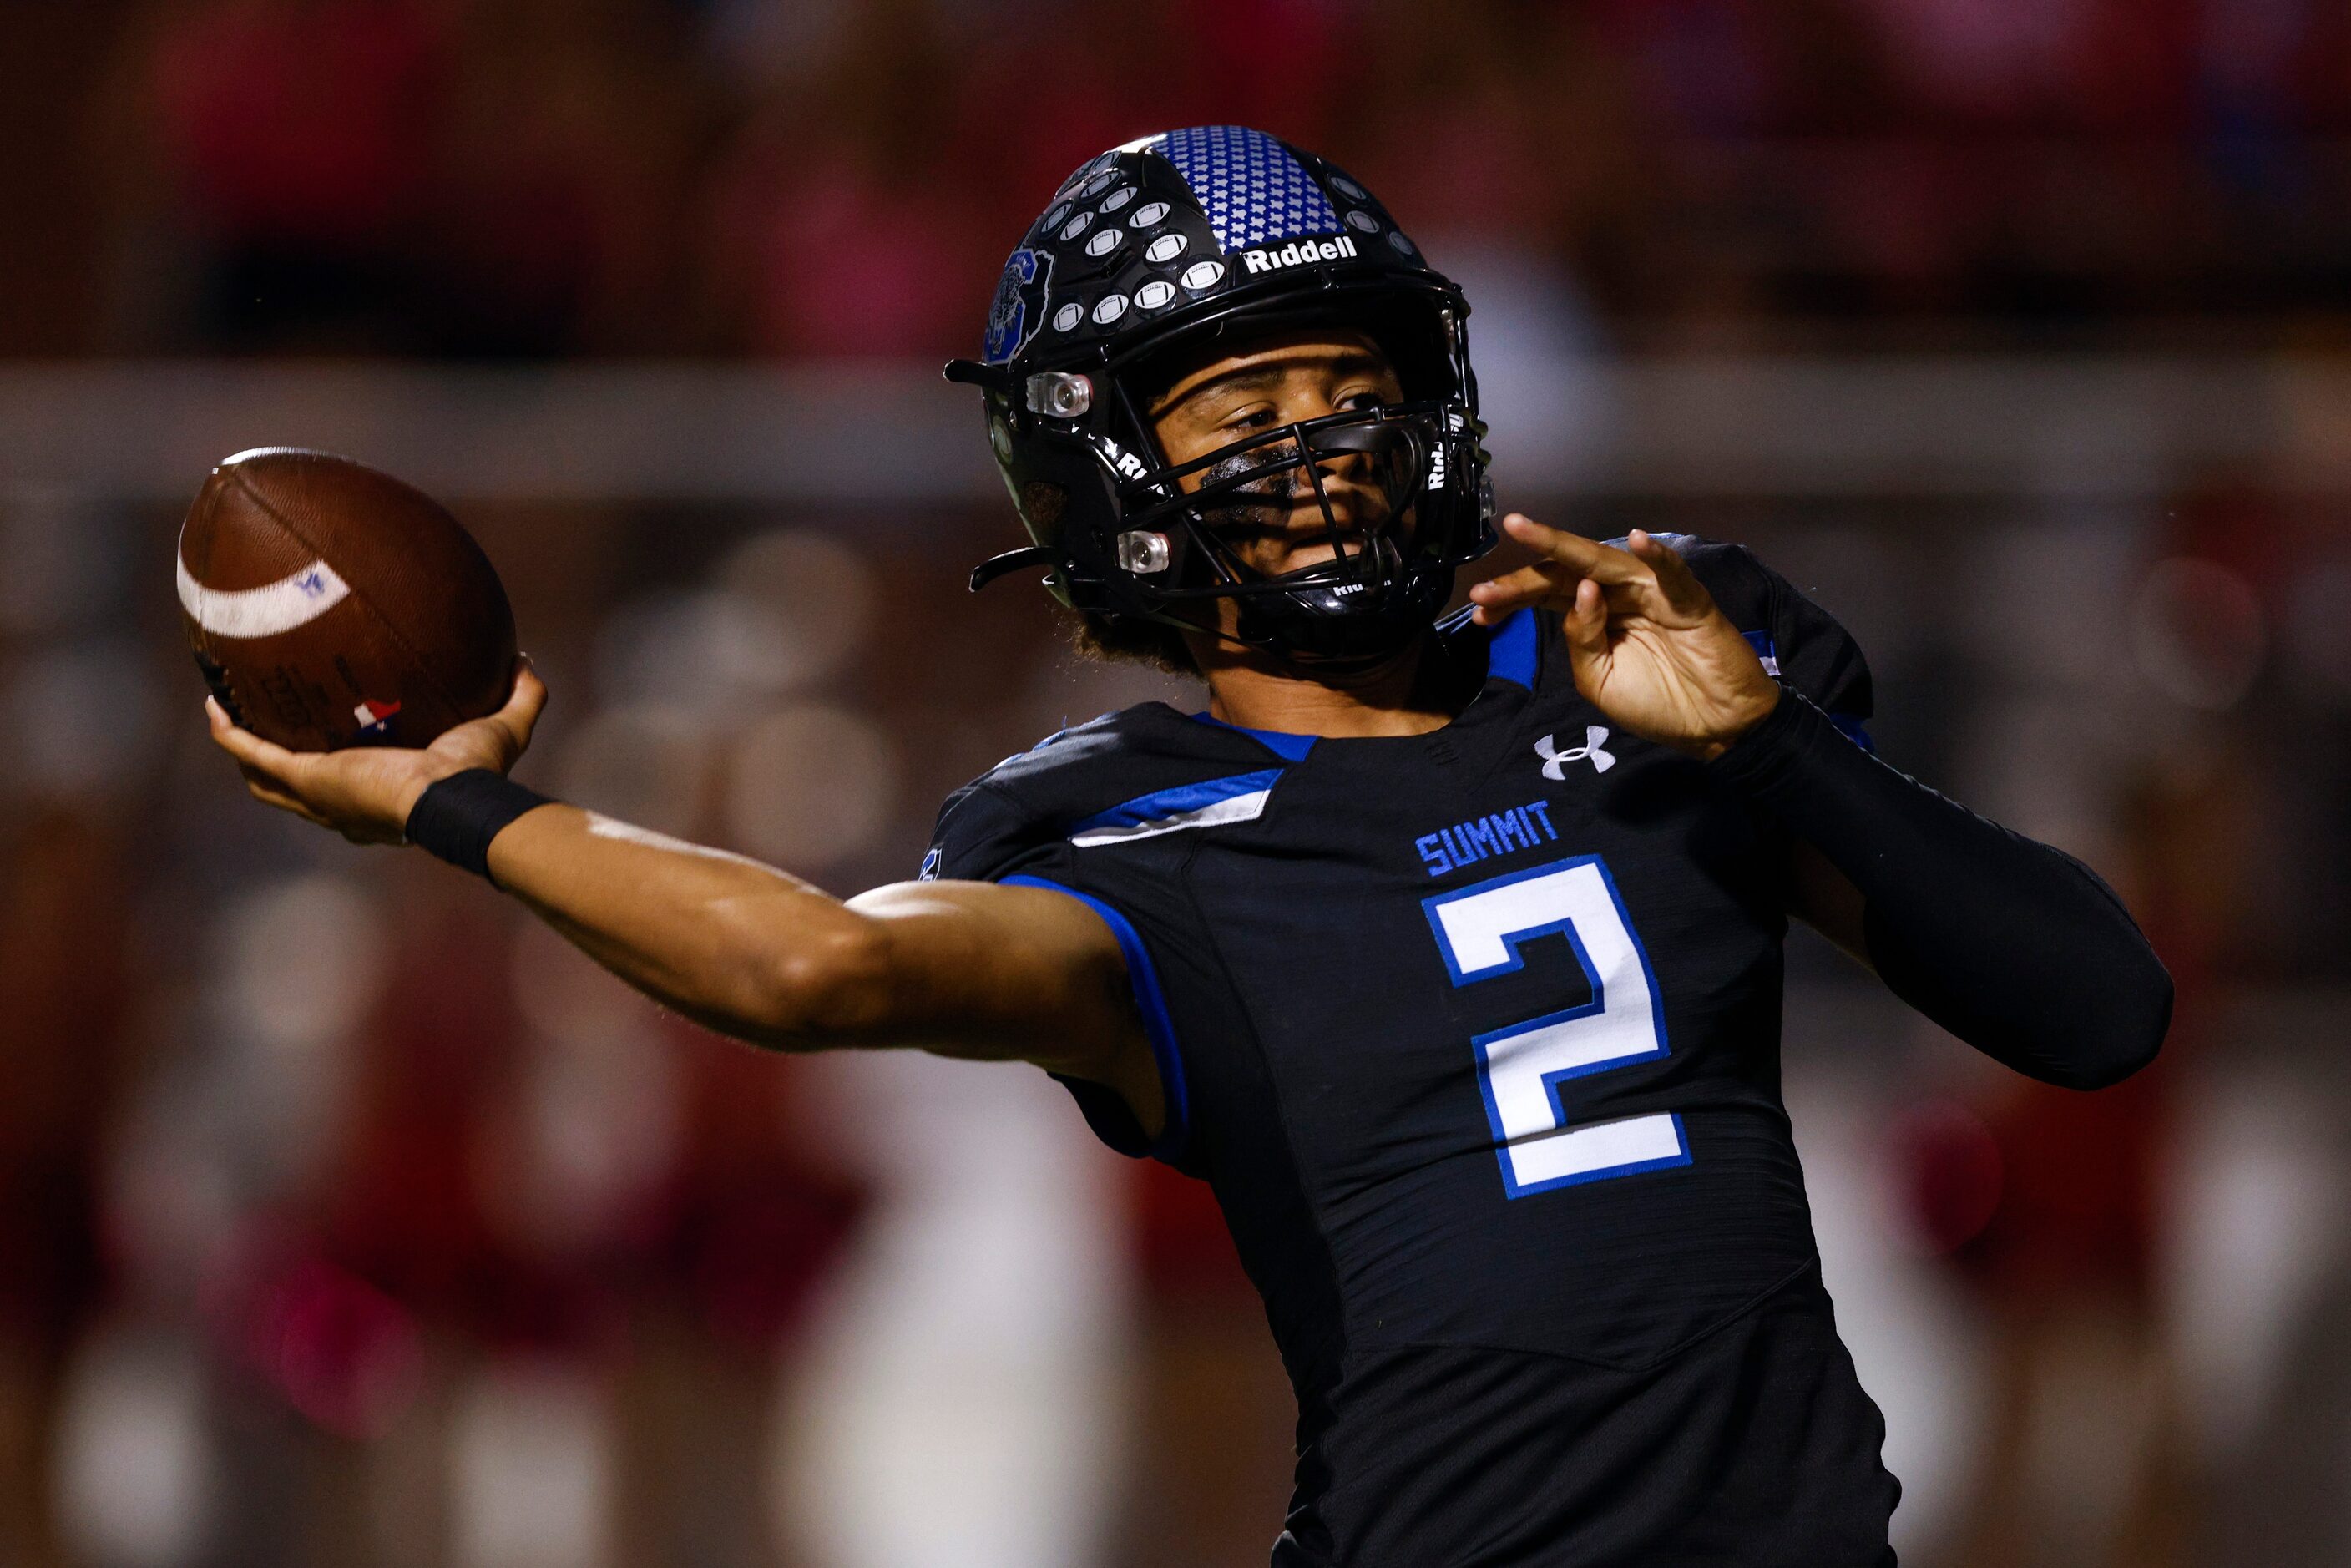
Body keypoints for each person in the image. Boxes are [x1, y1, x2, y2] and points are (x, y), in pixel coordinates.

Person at [210, 126, 2172, 1565]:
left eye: (1354, 386)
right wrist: (459, 804)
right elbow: (816, 966)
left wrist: (1770, 748)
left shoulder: (1637, 668)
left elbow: (2094, 1006)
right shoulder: (1135, 837)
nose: (1321, 443)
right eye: (1245, 404)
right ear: (1108, 472)